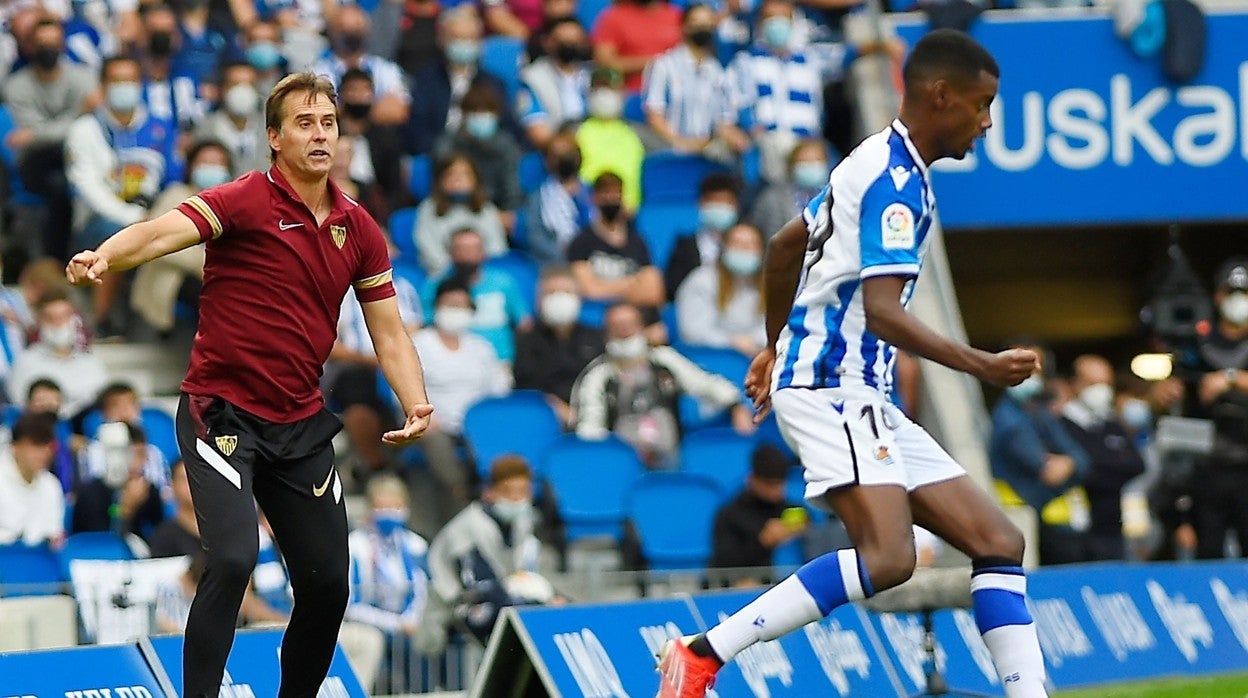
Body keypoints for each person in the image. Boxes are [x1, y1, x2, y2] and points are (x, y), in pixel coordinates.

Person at [656, 30, 1049, 698]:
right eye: (982, 105)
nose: (986, 123)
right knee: (889, 558)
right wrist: (977, 364)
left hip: (853, 387)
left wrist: (774, 345)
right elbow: (884, 311)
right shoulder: (896, 183)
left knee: (996, 539)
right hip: (833, 386)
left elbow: (785, 249)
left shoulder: (866, 161)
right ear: (941, 95)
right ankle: (701, 653)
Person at [66, 72, 435, 698]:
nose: (320, 135)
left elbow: (389, 333)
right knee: (234, 559)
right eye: (303, 124)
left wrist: (415, 398)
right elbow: (160, 233)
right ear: (274, 137)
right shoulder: (244, 200)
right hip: (221, 413)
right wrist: (108, 253)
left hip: (300, 423)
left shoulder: (359, 228)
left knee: (328, 586)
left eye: (328, 124)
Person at [572, 303, 752, 468]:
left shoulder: (664, 360)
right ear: (606, 334)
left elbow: (704, 384)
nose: (624, 332)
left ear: (642, 328)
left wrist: (735, 405)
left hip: (672, 460)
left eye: (629, 325)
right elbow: (590, 429)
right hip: (623, 467)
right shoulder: (598, 375)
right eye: (617, 327)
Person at [419, 455, 556, 651]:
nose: (517, 499)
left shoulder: (522, 523)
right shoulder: (468, 529)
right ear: (489, 493)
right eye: (509, 492)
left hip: (503, 598)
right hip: (450, 614)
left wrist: (553, 598)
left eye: (523, 492)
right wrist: (537, 602)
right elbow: (478, 587)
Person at [410, 277, 511, 528]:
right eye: (449, 304)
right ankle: (463, 494)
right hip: (435, 424)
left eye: (461, 305)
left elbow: (497, 392)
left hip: (476, 427)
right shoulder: (420, 344)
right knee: (432, 437)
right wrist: (424, 417)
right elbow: (404, 387)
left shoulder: (482, 348)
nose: (455, 311)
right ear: (436, 307)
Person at [1, 17, 99, 261]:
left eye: (54, 42)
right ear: (29, 47)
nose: (48, 49)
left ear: (63, 45)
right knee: (59, 183)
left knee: (75, 173)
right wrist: (77, 115)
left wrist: (40, 133)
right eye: (41, 43)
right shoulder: (16, 85)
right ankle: (56, 259)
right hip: (36, 161)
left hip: (78, 152)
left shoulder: (83, 77)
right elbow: (32, 138)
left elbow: (39, 133)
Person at [989, 346, 1091, 566]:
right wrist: (1068, 464)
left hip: (1052, 522)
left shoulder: (1041, 412)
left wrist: (1070, 463)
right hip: (1018, 518)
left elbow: (1082, 459)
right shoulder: (1008, 420)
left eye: (1036, 368)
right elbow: (1045, 470)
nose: (1032, 375)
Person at [1178, 257, 1248, 559]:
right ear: (1219, 296)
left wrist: (1230, 379)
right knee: (1209, 549)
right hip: (1207, 465)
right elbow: (1177, 389)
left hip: (1246, 463)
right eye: (1232, 293)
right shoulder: (1198, 343)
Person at [128, 139, 233, 334]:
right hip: (175, 275)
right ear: (191, 167)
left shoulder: (234, 202)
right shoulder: (175, 195)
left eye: (217, 164)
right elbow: (162, 242)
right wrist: (207, 265)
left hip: (220, 275)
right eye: (205, 163)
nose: (211, 169)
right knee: (210, 294)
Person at [346, 474, 431, 694]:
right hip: (369, 623)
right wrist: (394, 624)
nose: (389, 514)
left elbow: (422, 591)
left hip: (408, 626)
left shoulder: (415, 545)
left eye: (395, 507)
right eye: (382, 507)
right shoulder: (355, 546)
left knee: (429, 641)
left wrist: (410, 619)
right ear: (370, 509)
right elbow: (351, 605)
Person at [1058, 355, 1146, 561]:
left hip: (1113, 527)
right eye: (1093, 383)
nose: (1101, 390)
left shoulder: (1111, 423)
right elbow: (1082, 471)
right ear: (1075, 384)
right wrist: (1109, 466)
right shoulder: (1060, 426)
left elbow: (1136, 465)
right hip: (1073, 531)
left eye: (1106, 384)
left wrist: (1097, 467)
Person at [642, 4, 749, 161]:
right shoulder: (663, 66)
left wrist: (735, 138)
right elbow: (654, 115)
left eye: (707, 24)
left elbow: (723, 120)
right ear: (684, 27)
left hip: (707, 152)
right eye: (697, 23)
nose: (703, 28)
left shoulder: (717, 71)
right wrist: (681, 143)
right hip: (670, 149)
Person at [566, 172, 665, 332]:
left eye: (615, 193)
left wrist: (606, 287)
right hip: (598, 322)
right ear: (594, 198)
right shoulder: (581, 242)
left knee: (659, 332)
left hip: (639, 321)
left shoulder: (638, 242)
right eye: (605, 193)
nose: (611, 199)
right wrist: (631, 284)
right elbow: (588, 290)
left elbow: (654, 292)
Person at [422, 228, 533, 363]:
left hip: (500, 361)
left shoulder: (504, 282)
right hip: (449, 361)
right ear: (451, 252)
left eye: (473, 248)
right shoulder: (435, 284)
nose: (467, 254)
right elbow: (426, 324)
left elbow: (523, 323)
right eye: (461, 248)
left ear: (483, 253)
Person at [514, 265, 603, 425]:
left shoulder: (597, 338)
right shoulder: (526, 341)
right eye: (551, 293)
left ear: (579, 298)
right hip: (544, 420)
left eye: (566, 292)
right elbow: (527, 387)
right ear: (538, 300)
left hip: (593, 417)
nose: (559, 299)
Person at [708, 444, 807, 584]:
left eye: (780, 484)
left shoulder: (792, 509)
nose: (775, 491)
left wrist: (803, 529)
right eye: (769, 485)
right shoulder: (730, 515)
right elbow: (724, 564)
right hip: (745, 585)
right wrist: (763, 542)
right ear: (752, 480)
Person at [6, 289, 110, 419]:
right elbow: (20, 410)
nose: (58, 324)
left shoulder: (92, 364)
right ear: (39, 320)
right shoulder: (24, 364)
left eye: (64, 316)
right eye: (50, 318)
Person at [310, 4, 411, 126]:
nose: (350, 33)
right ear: (332, 32)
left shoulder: (386, 69)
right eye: (343, 28)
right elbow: (314, 113)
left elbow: (398, 111)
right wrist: (369, 107)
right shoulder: (317, 72)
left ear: (367, 30)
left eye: (357, 28)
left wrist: (344, 111)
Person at [675, 222, 766, 356]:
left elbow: (772, 328)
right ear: (724, 247)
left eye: (750, 245)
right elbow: (694, 333)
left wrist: (754, 342)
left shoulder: (768, 285)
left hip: (755, 356)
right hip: (708, 360)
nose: (743, 250)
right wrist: (732, 342)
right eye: (737, 244)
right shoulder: (701, 281)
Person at [412, 154, 509, 276]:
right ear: (440, 180)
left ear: (475, 179)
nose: (458, 179)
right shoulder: (428, 209)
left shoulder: (486, 209)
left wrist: (478, 272)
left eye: (465, 174)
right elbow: (428, 249)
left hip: (482, 276)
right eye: (451, 175)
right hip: (442, 276)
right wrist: (454, 272)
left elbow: (497, 248)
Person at [574, 67, 646, 210]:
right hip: (589, 211)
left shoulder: (637, 133)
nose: (604, 95)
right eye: (599, 88)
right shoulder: (574, 131)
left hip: (630, 212)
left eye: (610, 88)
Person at [665, 172, 744, 299]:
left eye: (726, 202)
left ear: (736, 206)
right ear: (701, 203)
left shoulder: (748, 242)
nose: (720, 207)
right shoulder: (685, 245)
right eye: (715, 201)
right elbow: (672, 288)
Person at [517, 16, 591, 149]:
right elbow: (538, 133)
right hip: (556, 151)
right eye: (563, 41)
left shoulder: (591, 74)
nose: (570, 45)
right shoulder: (532, 78)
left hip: (593, 146)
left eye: (575, 40)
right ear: (548, 42)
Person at [523, 131, 593, 264]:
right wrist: (564, 256)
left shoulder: (591, 192)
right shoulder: (538, 197)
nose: (564, 159)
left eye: (568, 154)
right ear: (548, 160)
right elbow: (535, 236)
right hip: (554, 264)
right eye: (557, 155)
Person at [0, 412, 65, 547]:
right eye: (36, 445)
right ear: (15, 446)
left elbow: (54, 535)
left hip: (38, 561)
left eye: (49, 446)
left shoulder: (51, 484)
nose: (44, 453)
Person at [193, 61, 269, 176]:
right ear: (222, 89)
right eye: (235, 84)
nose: (242, 91)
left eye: (249, 85)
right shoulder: (204, 130)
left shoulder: (271, 131)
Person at [748, 138, 833, 239]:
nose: (810, 166)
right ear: (792, 166)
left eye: (816, 161)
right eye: (804, 162)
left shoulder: (836, 195)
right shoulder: (773, 198)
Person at [591, 0, 682, 92]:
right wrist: (654, 62)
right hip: (631, 94)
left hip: (675, 92)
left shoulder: (676, 15)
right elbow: (604, 62)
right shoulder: (613, 17)